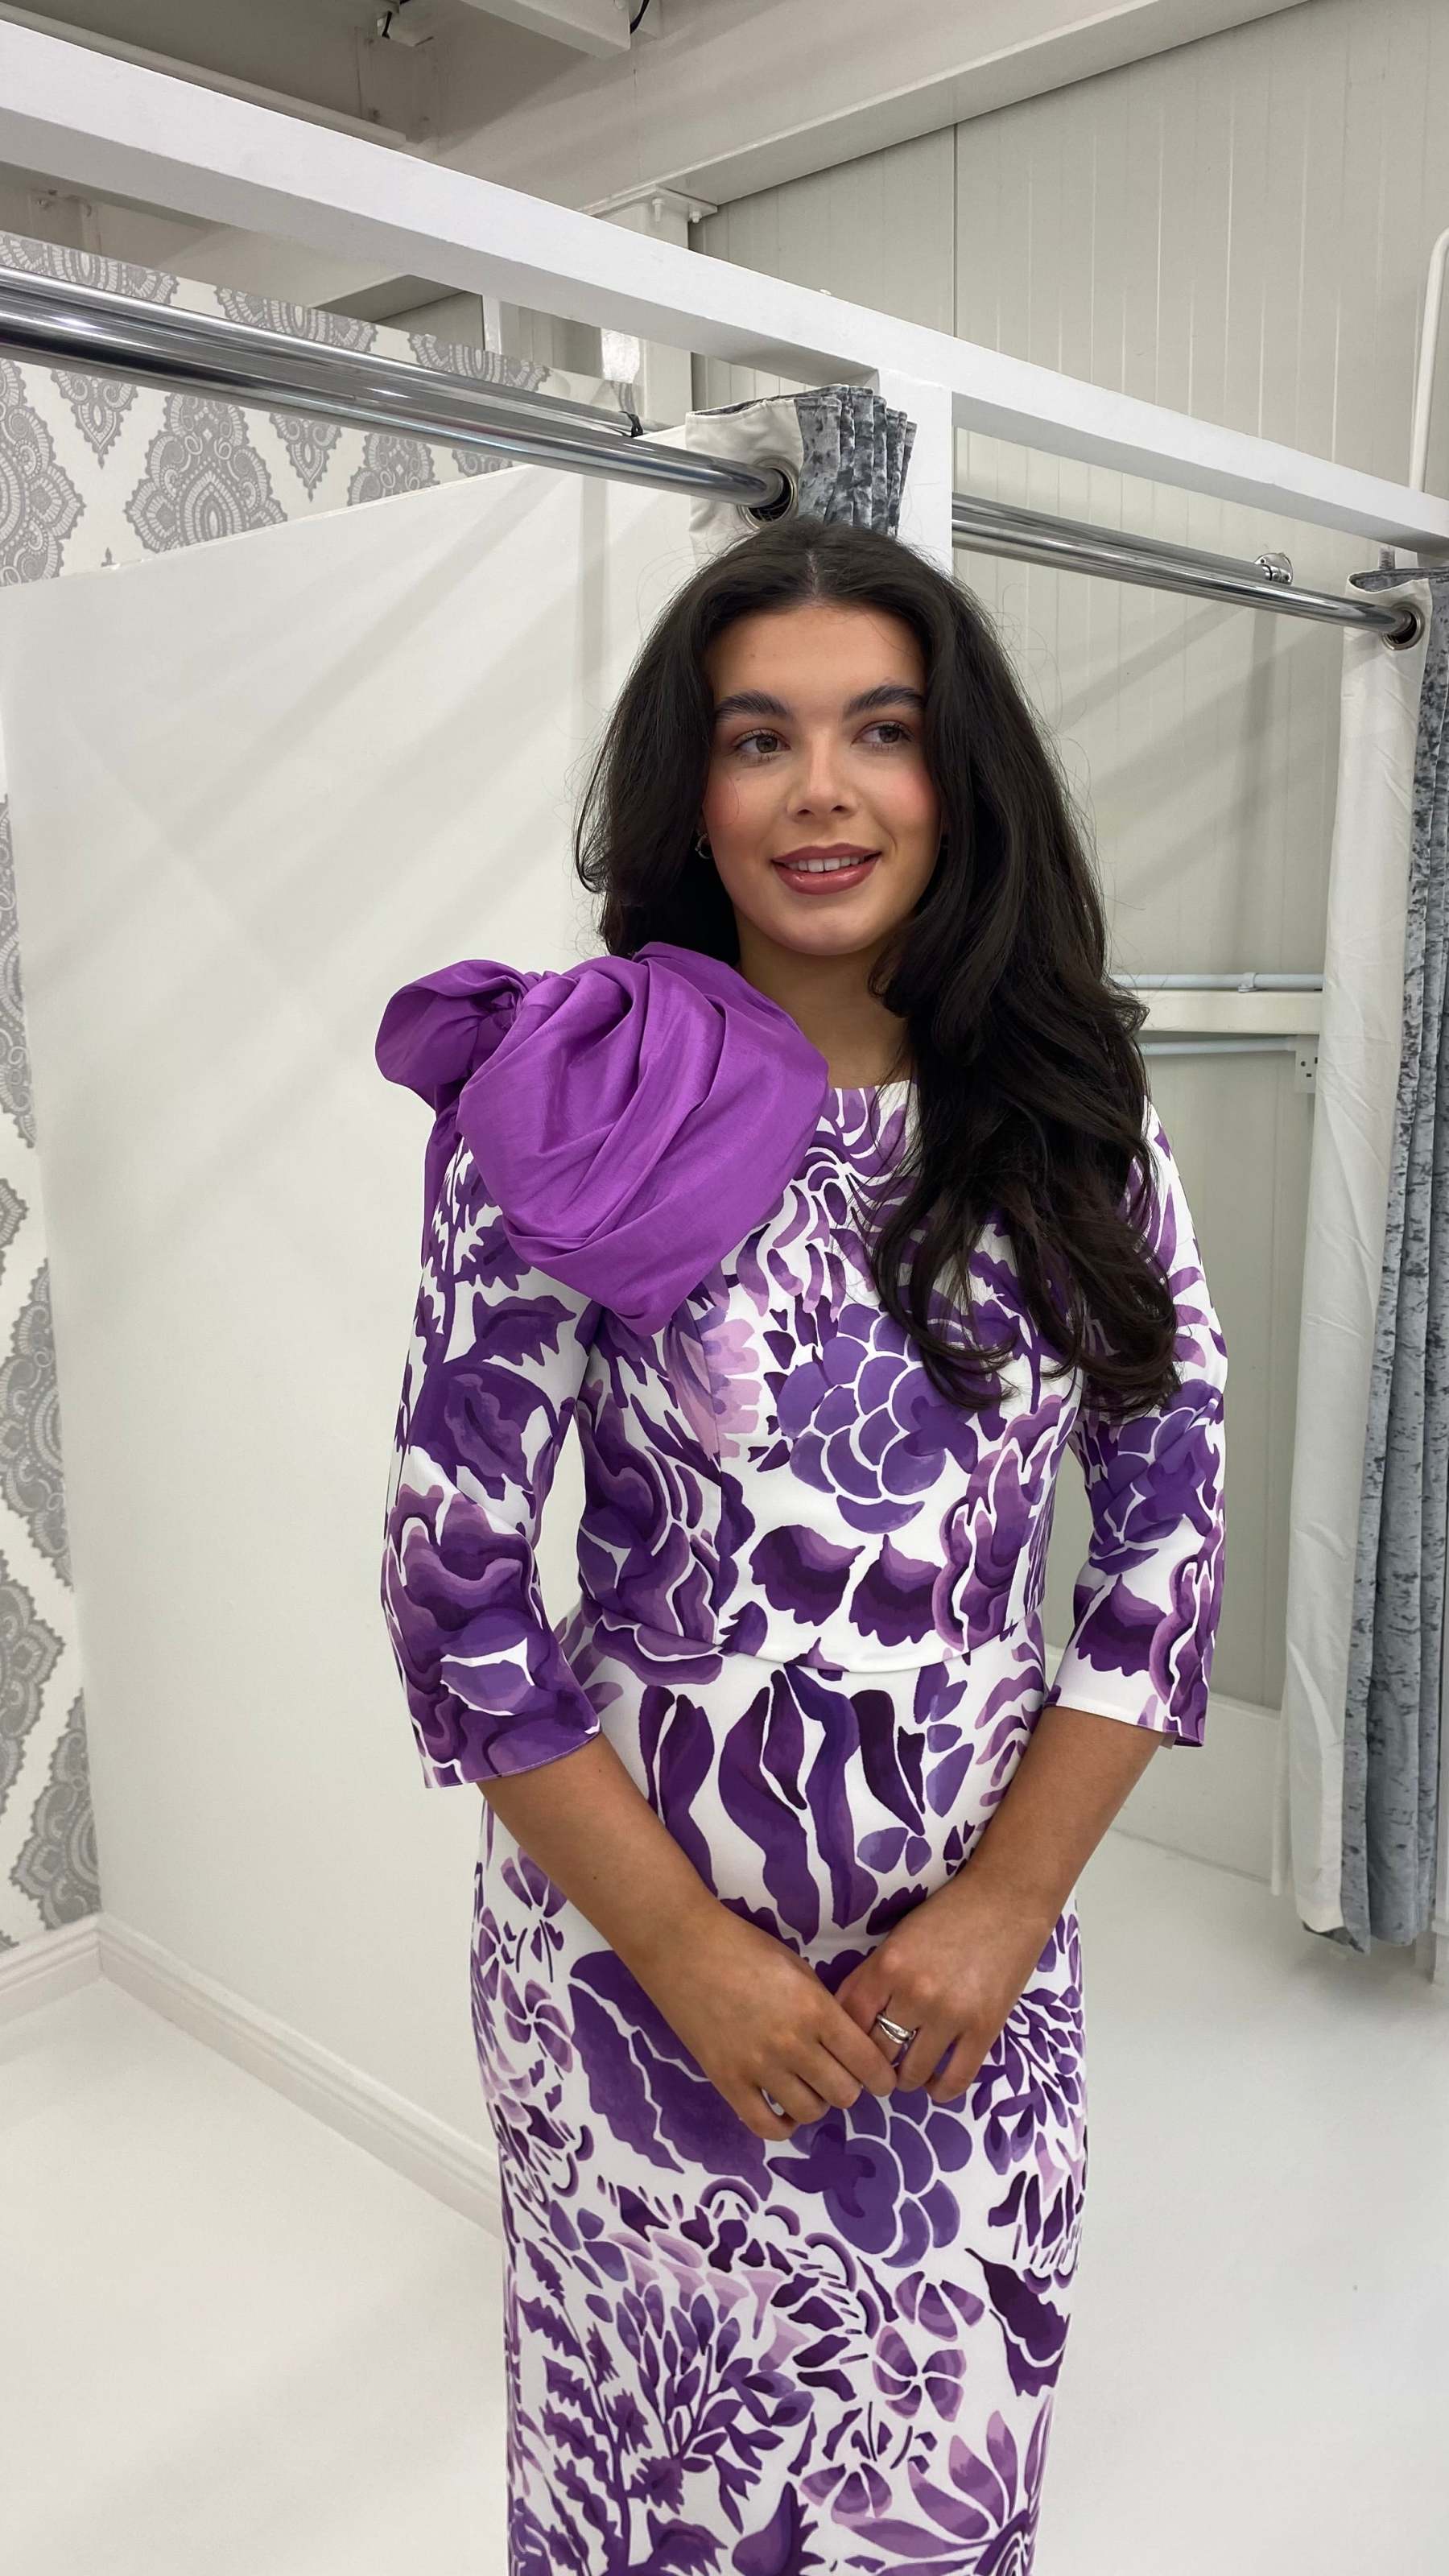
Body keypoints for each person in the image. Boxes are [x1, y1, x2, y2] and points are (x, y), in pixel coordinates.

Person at [374, 513, 1228, 2570]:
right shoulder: (575, 1106)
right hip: (627, 1993)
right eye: (758, 738)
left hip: (963, 1990)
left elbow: (1165, 1548)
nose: (820, 790)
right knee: (652, 2491)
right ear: (693, 791)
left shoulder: (1078, 1125)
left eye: (882, 732)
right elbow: (454, 1587)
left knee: (936, 2495)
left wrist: (1010, 1901)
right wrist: (684, 1955)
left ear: (959, 778)